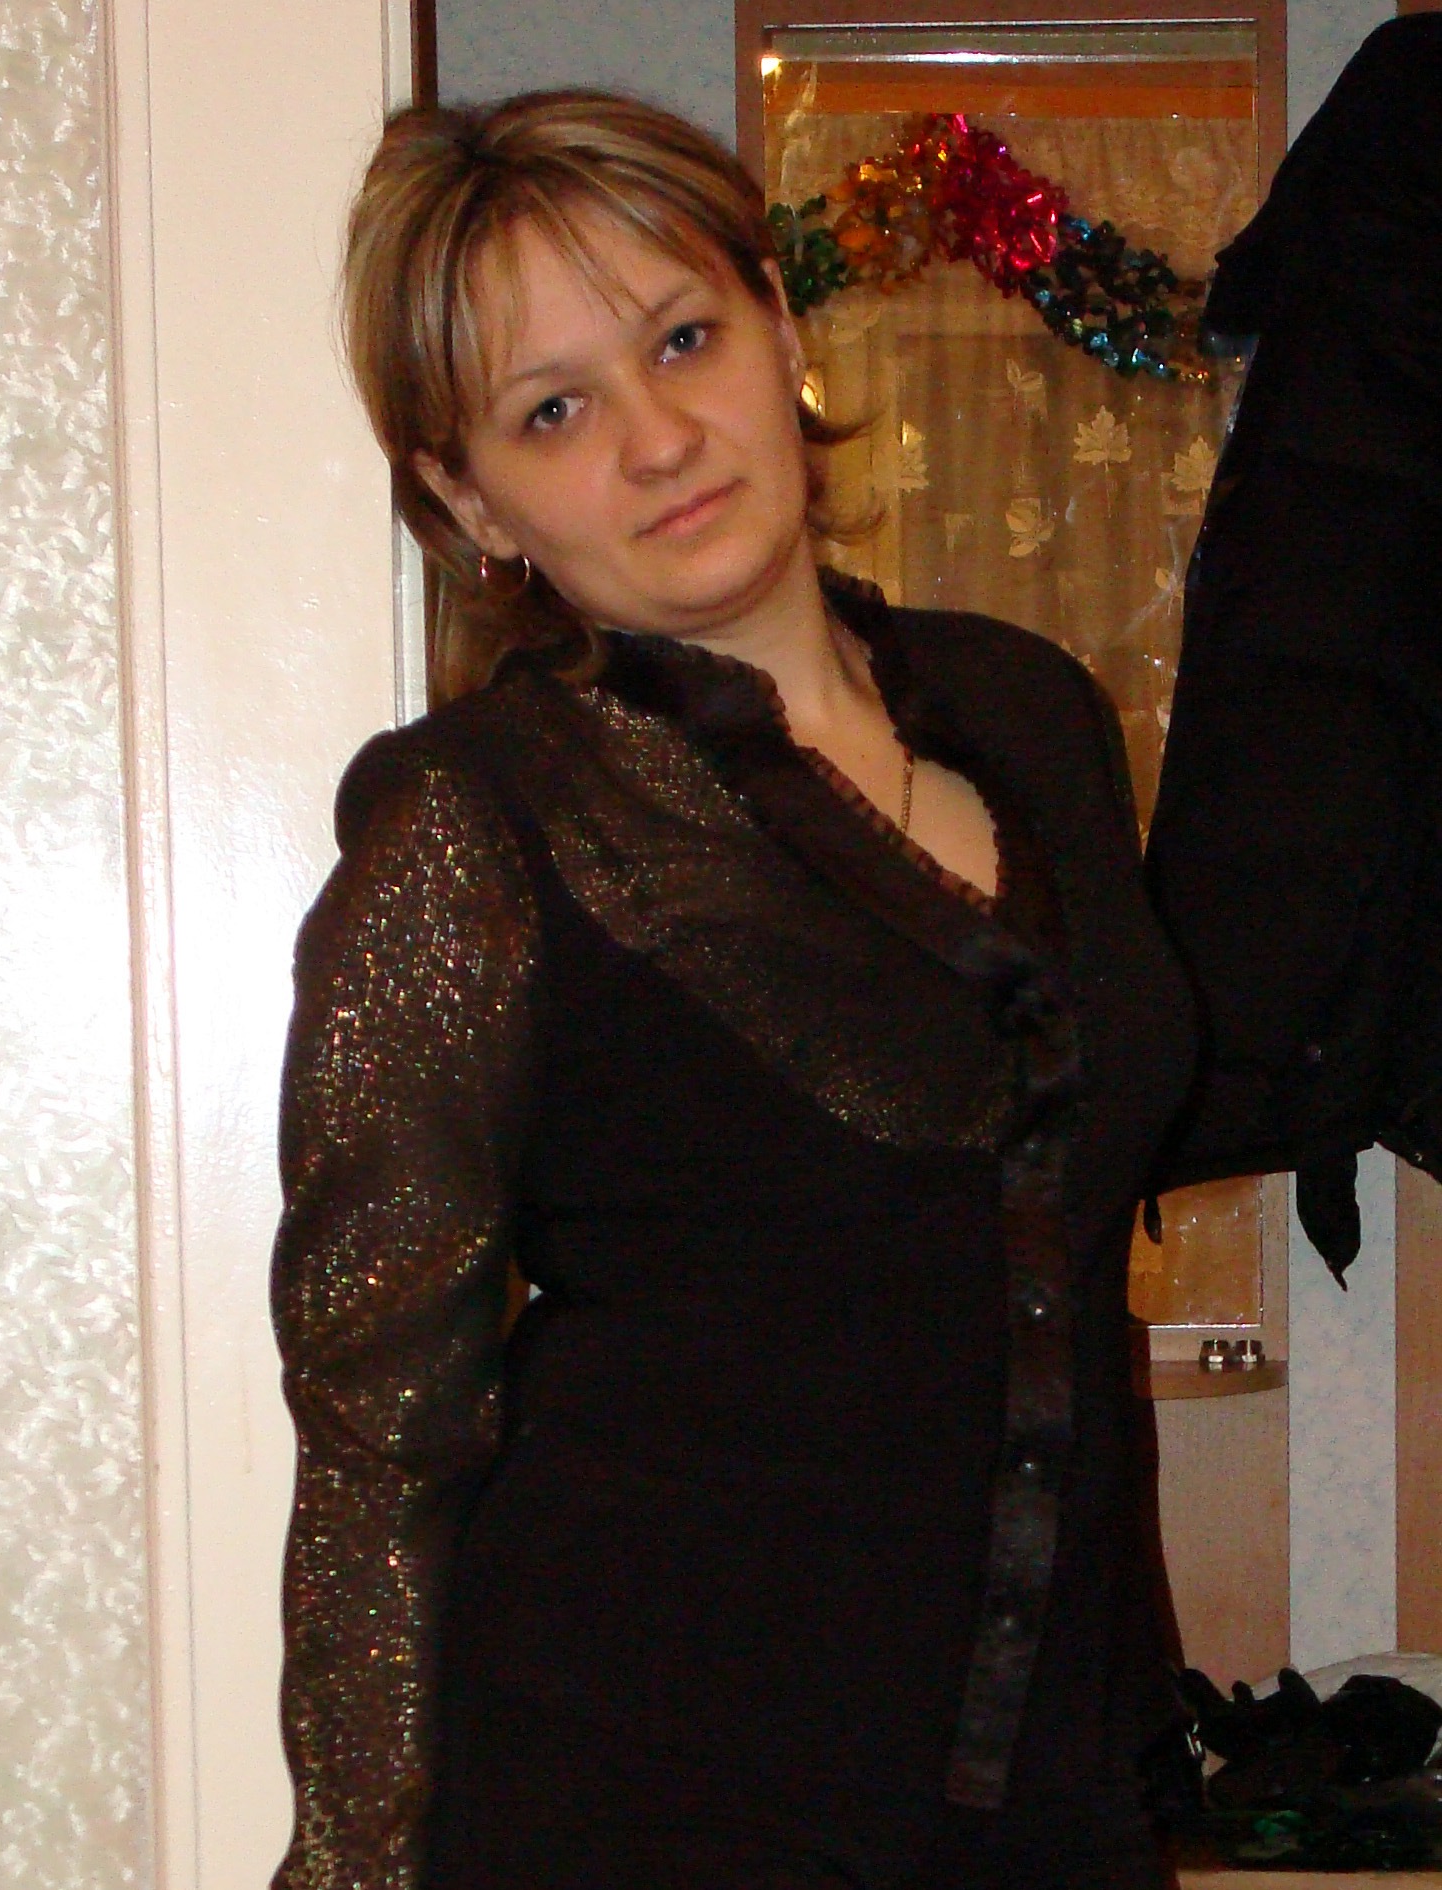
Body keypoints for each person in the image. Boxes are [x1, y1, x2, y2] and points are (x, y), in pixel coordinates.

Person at [270, 89, 1195, 1890]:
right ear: (468, 498)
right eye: (553, 411)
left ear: (776, 320)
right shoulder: (470, 823)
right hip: (646, 1801)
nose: (659, 439)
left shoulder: (1032, 712)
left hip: (1052, 1793)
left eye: (682, 339)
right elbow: (383, 1436)